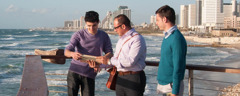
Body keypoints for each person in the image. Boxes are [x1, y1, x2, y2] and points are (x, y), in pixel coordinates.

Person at [95, 14, 147, 96]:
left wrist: (109, 60)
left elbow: (130, 62)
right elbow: (116, 60)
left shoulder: (137, 39)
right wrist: (99, 65)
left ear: (123, 26)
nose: (115, 30)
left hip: (134, 77)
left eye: (116, 27)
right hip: (120, 77)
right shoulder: (121, 39)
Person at [64, 11, 113, 96]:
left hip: (90, 73)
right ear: (85, 23)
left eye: (94, 25)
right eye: (89, 26)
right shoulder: (78, 34)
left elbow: (110, 52)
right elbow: (66, 51)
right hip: (74, 72)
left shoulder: (104, 36)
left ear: (98, 22)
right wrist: (72, 54)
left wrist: (104, 58)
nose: (91, 28)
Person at [155, 5, 187, 96]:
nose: (156, 23)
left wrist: (175, 91)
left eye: (157, 20)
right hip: (164, 84)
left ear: (164, 19)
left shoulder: (176, 38)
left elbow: (178, 66)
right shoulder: (167, 37)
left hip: (171, 86)